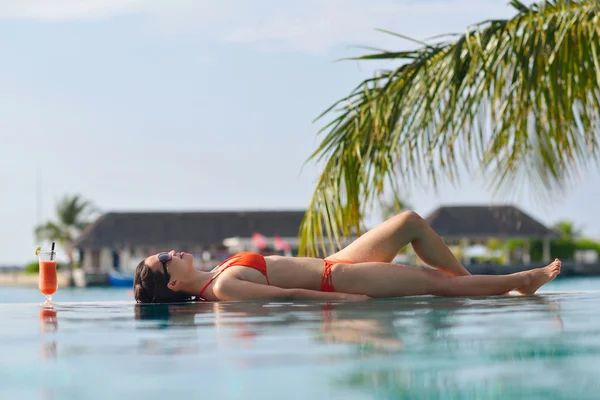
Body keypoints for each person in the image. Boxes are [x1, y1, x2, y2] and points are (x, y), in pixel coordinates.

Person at [134, 211, 561, 303]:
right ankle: (521, 282)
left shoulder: (216, 278)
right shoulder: (222, 287)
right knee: (437, 284)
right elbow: (293, 297)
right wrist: (351, 303)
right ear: (172, 282)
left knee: (409, 222)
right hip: (338, 282)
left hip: (335, 261)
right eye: (166, 259)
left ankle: (475, 288)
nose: (173, 252)